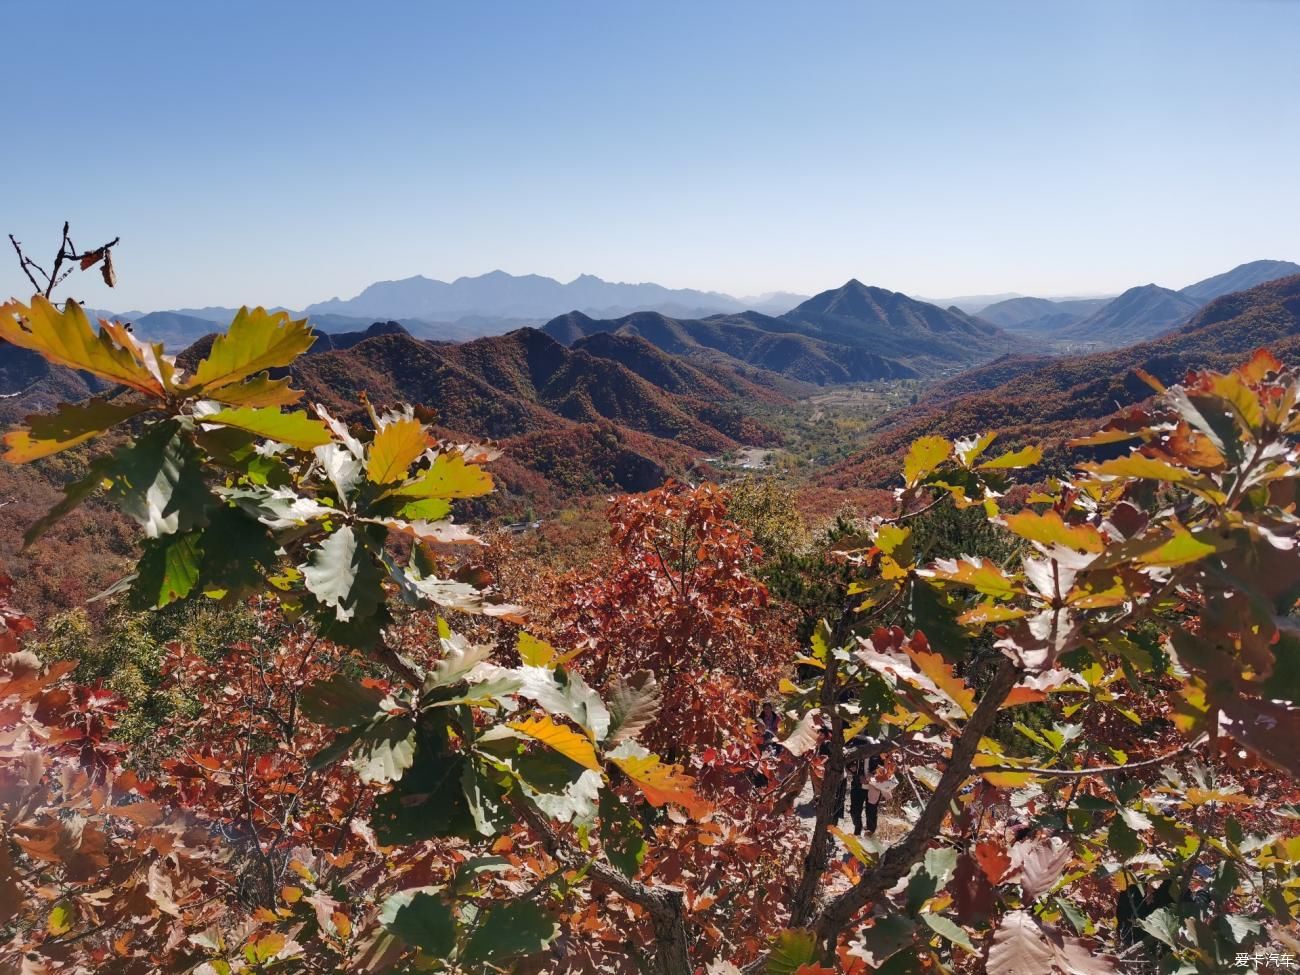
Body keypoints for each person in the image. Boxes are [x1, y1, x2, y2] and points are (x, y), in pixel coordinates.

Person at [851, 754, 897, 836]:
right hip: (857, 786)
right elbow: (848, 763)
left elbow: (886, 766)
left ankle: (870, 833)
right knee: (854, 811)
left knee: (871, 812)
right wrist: (858, 776)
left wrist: (873, 774)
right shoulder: (857, 747)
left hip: (875, 787)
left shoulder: (879, 752)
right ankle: (857, 829)